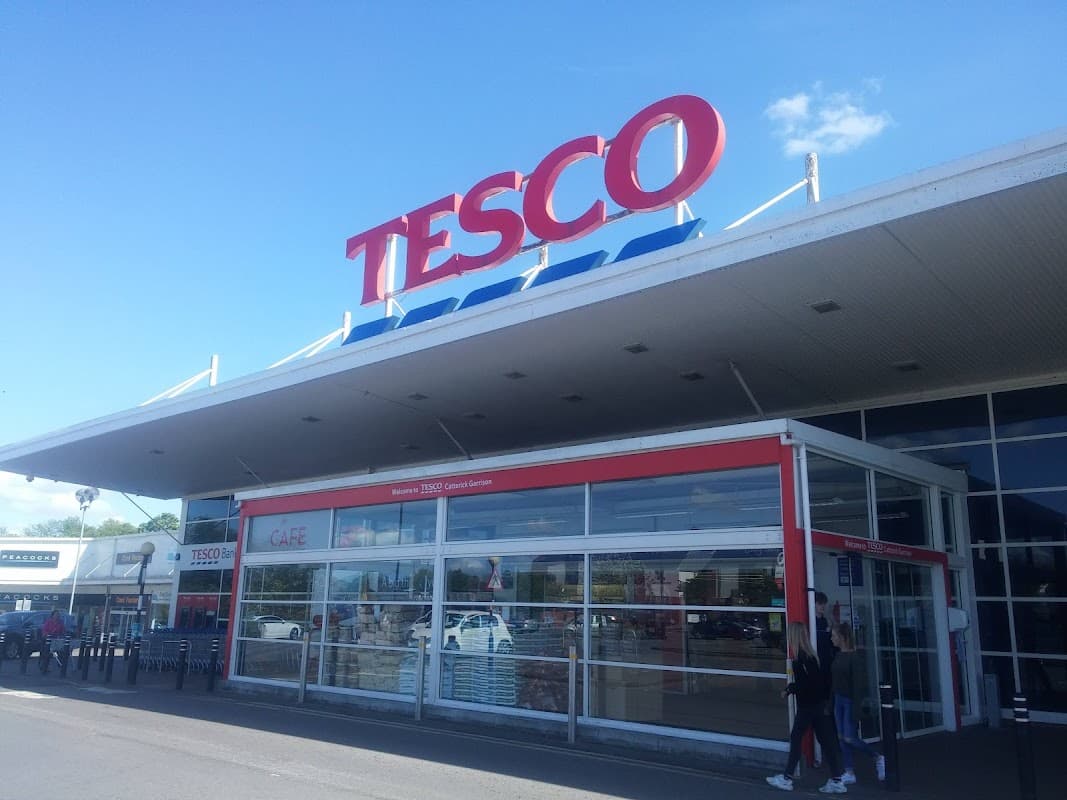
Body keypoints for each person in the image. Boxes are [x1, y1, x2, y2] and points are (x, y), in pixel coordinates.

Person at [766, 621, 848, 794]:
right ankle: (837, 779)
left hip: (808, 706)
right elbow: (818, 682)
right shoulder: (811, 656)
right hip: (818, 705)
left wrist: (789, 689)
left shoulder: (802, 658)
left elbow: (807, 684)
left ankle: (787, 778)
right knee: (826, 742)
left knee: (796, 738)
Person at [830, 622, 886, 784]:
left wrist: (856, 709)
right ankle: (849, 771)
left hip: (849, 702)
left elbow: (858, 686)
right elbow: (835, 682)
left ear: (842, 637)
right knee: (842, 737)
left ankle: (878, 757)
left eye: (834, 636)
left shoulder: (854, 658)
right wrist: (830, 703)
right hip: (838, 700)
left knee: (849, 737)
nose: (831, 639)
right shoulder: (838, 655)